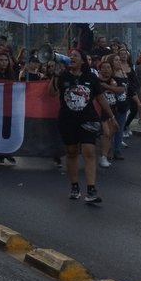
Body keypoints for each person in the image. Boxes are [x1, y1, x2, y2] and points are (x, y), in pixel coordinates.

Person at [54, 49, 109, 204]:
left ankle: (91, 189)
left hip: (88, 118)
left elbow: (100, 98)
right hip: (67, 119)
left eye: (75, 56)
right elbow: (52, 93)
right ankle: (75, 186)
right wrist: (55, 75)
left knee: (88, 150)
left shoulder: (91, 77)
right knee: (71, 152)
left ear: (83, 61)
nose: (72, 58)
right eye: (70, 56)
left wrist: (111, 117)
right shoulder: (63, 76)